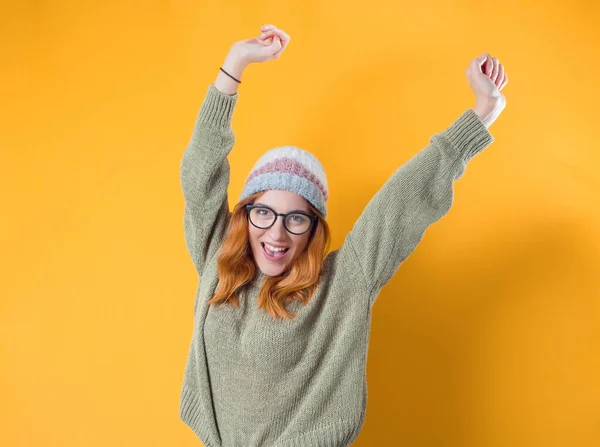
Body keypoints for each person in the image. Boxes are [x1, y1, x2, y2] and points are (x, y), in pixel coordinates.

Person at [179, 24, 507, 447]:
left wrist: (482, 113)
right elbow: (198, 174)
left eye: (296, 219)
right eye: (263, 212)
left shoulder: (341, 284)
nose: (276, 232)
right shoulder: (218, 260)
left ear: (314, 228)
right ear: (245, 216)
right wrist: (235, 65)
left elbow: (401, 202)